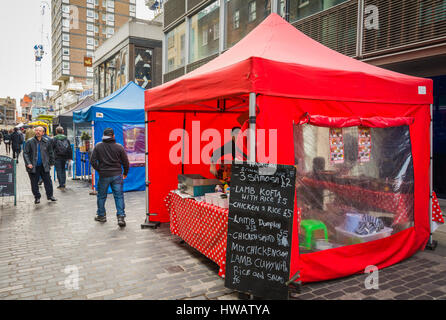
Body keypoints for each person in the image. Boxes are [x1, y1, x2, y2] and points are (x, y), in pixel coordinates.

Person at [90, 128, 129, 227]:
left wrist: (100, 169)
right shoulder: (119, 147)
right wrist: (125, 173)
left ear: (103, 136)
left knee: (101, 196)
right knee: (119, 196)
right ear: (113, 136)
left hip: (104, 175)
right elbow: (125, 162)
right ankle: (121, 217)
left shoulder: (98, 146)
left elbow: (93, 161)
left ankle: (101, 215)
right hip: (117, 175)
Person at [23, 126, 57, 204]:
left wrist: (51, 162)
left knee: (48, 181)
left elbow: (51, 152)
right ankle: (37, 197)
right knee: (34, 183)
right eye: (37, 130)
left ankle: (50, 195)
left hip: (44, 165)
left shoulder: (47, 141)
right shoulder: (29, 141)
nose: (38, 132)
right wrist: (28, 163)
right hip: (33, 166)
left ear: (43, 133)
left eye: (40, 131)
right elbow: (25, 153)